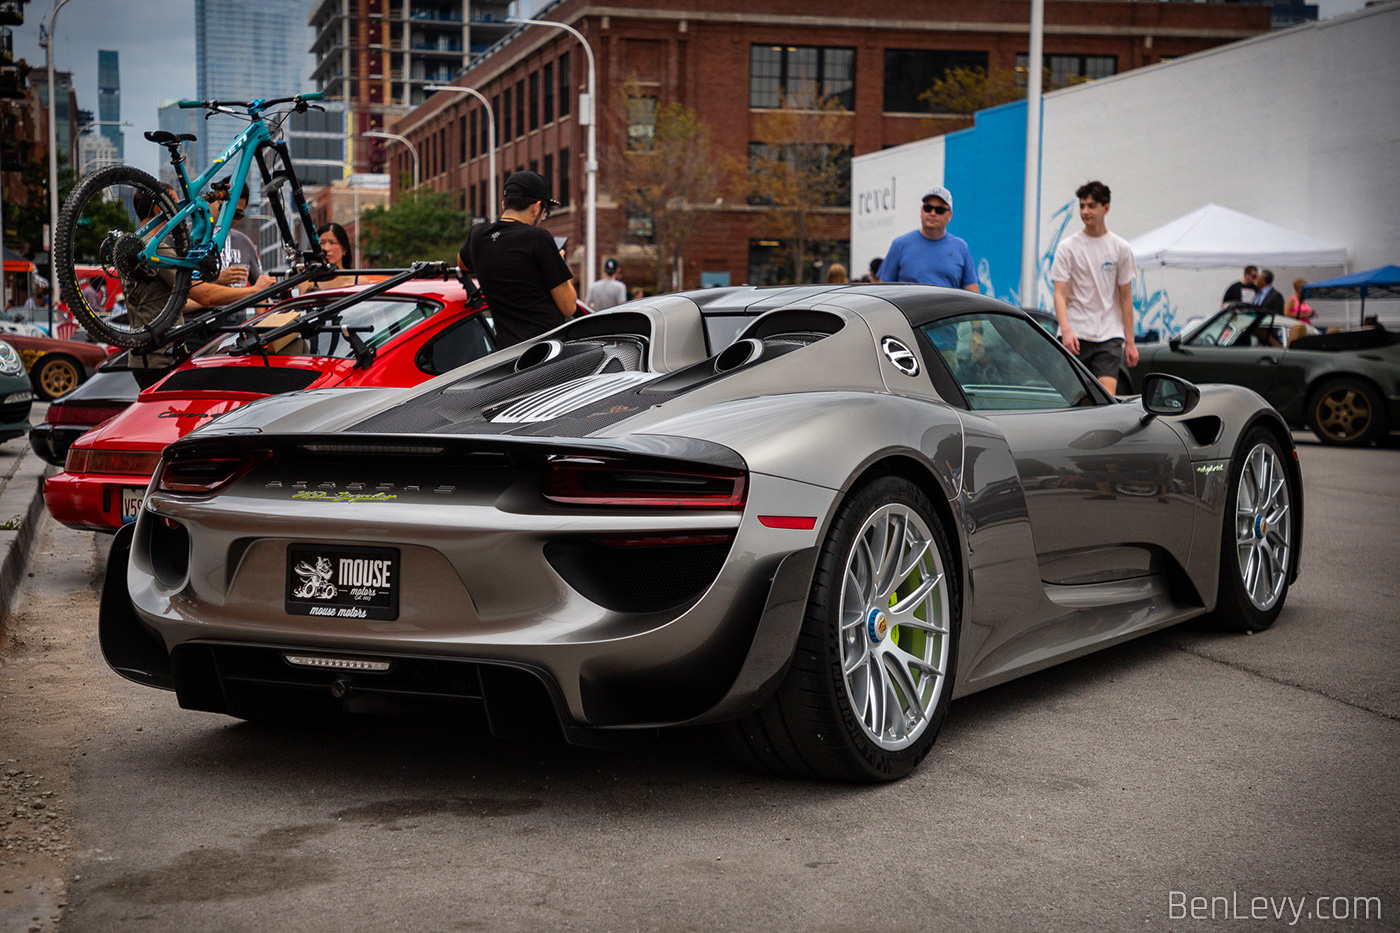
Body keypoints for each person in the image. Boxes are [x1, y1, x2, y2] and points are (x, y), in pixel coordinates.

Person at [459, 170, 577, 347]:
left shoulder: (478, 235)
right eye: (544, 213)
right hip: (546, 351)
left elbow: (463, 264)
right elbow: (569, 307)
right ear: (536, 207)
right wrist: (558, 262)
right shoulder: (538, 238)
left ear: (503, 205)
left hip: (507, 353)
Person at [1050, 180, 1139, 394]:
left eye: (1091, 206)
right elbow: (1059, 294)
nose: (1085, 211)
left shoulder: (1121, 248)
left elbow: (1126, 297)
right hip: (1076, 335)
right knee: (1077, 399)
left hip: (1109, 334)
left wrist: (1131, 342)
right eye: (1082, 206)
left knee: (1106, 398)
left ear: (1105, 208)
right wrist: (1067, 331)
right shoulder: (1067, 247)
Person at [879, 185, 978, 293]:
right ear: (921, 211)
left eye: (939, 210)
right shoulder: (900, 245)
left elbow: (973, 294)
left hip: (949, 310)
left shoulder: (961, 248)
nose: (932, 213)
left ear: (949, 215)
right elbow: (882, 291)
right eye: (928, 208)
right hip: (911, 310)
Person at [214, 182, 262, 289]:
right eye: (225, 209)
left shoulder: (244, 243)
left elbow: (261, 290)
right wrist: (217, 279)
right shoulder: (184, 238)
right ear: (210, 201)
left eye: (237, 214)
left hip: (238, 305)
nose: (229, 218)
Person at [301, 223, 361, 292]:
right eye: (322, 243)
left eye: (332, 243)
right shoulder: (306, 283)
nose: (326, 249)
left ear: (344, 249)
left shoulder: (359, 281)